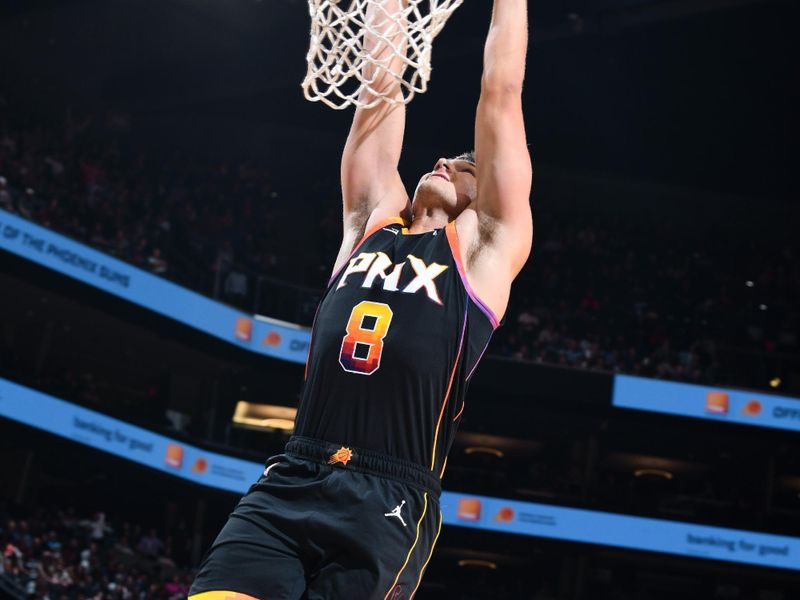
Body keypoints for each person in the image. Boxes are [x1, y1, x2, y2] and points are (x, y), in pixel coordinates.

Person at [189, 0, 532, 598]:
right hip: (295, 473)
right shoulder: (370, 221)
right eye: (447, 157)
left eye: (468, 166)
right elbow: (380, 83)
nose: (448, 160)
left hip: (388, 498)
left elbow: (500, 90)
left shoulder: (482, 253)